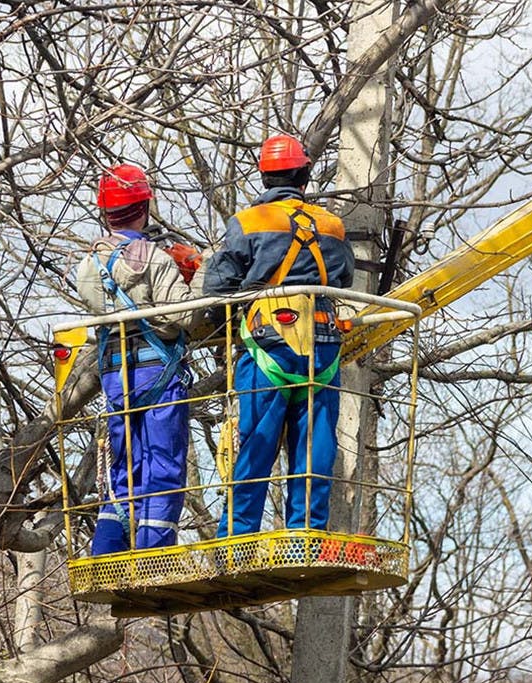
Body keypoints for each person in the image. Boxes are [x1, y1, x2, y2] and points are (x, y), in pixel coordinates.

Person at [201, 134, 354, 537]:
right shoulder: (332, 226)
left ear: (264, 177)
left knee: (255, 441)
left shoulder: (249, 222)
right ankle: (306, 531)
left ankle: (237, 536)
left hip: (269, 343)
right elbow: (343, 279)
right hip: (322, 347)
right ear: (305, 174)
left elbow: (218, 289)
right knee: (315, 444)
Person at [76, 164, 201, 555]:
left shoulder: (88, 267)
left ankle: (107, 552)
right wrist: (198, 274)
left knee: (124, 469)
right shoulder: (155, 259)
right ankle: (153, 557)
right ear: (145, 204)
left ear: (105, 212)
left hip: (116, 376)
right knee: (163, 466)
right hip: (157, 372)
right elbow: (180, 318)